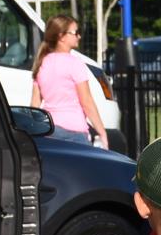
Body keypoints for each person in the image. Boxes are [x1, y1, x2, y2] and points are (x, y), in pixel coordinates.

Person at [30, 16, 108, 148]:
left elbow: (34, 103)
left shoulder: (42, 62)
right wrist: (102, 133)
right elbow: (87, 102)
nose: (79, 36)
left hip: (48, 130)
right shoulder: (74, 63)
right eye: (75, 33)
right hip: (74, 132)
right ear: (62, 36)